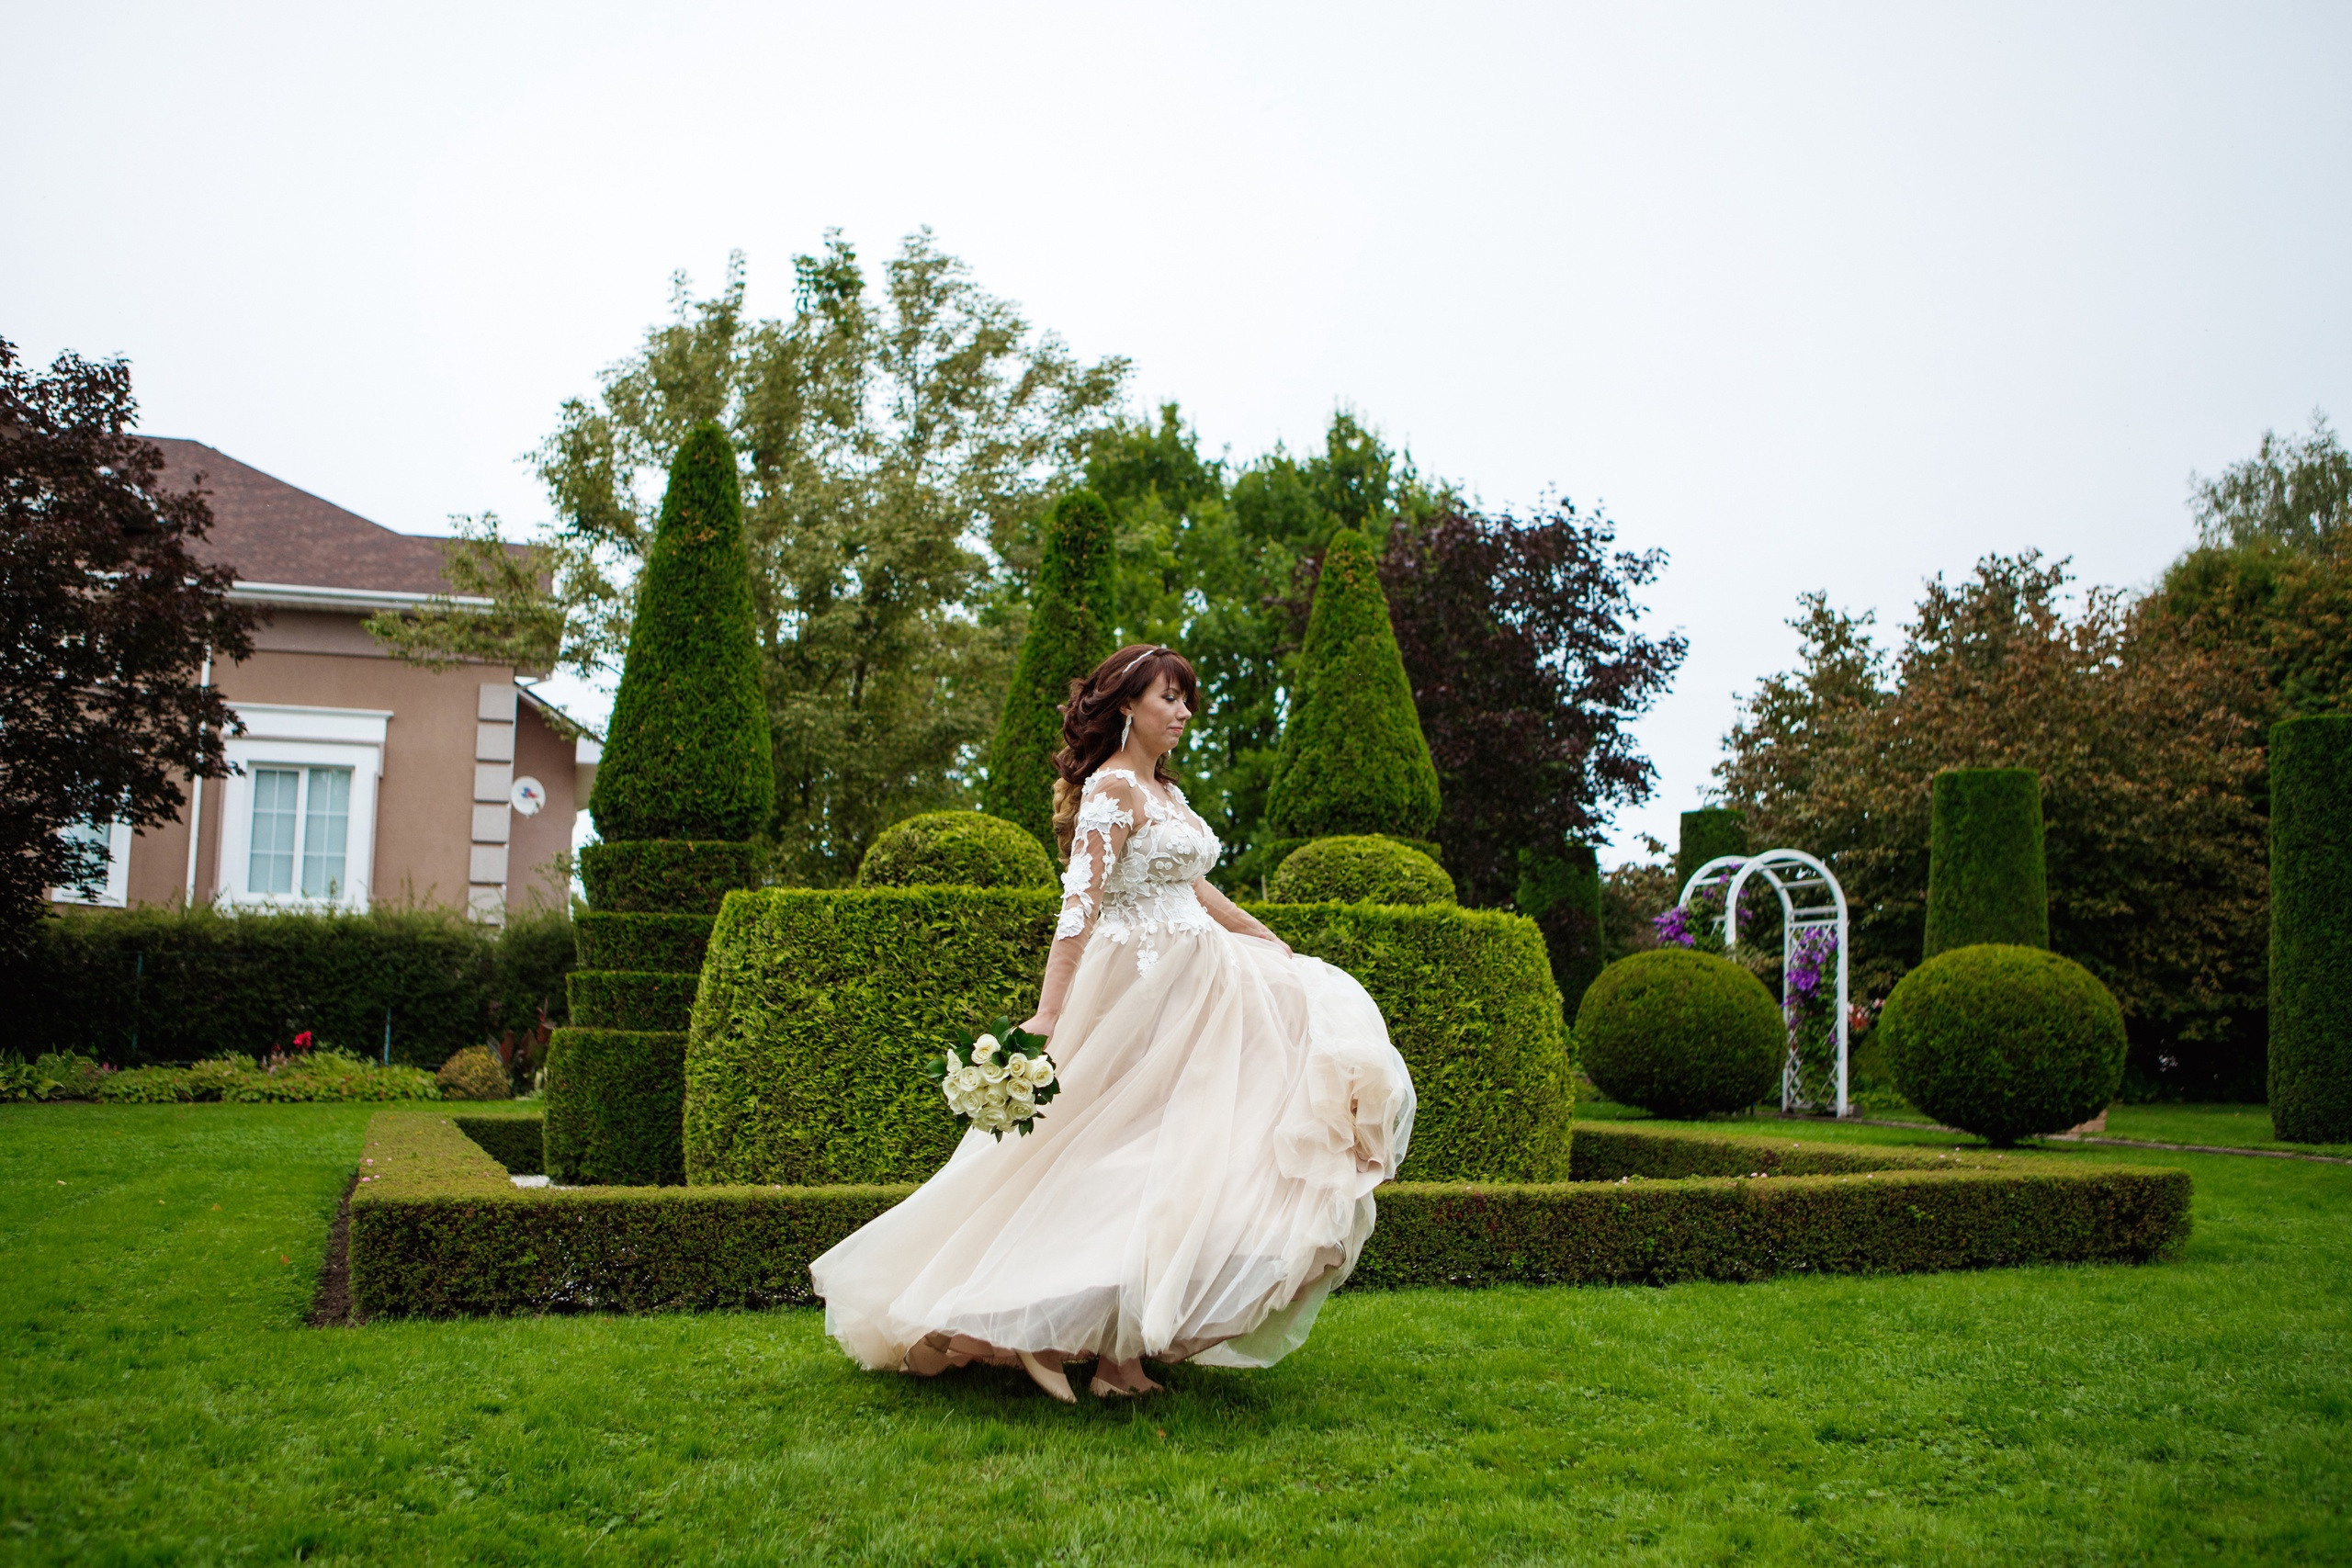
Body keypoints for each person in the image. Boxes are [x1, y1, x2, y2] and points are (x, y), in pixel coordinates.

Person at [808, 645, 1416, 1401]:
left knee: (1189, 1154)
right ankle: (1026, 1320)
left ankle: (1116, 1356)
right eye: (1170, 697)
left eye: (1187, 699)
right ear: (1128, 704)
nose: (1184, 712)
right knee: (1118, 1156)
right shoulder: (1112, 789)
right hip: (1138, 991)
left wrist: (1263, 936)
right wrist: (1050, 1012)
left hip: (1204, 985)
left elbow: (1194, 886)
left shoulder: (1167, 792)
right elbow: (1080, 907)